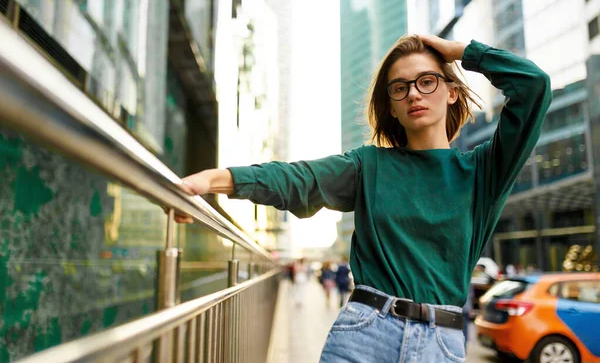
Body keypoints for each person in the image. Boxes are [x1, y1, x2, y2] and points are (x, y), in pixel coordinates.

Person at [172, 35, 551, 362]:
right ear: (392, 106)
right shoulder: (369, 165)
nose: (414, 93)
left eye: (427, 81)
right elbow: (298, 178)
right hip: (365, 333)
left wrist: (459, 51)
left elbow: (533, 85)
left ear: (452, 91)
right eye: (400, 87)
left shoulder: (483, 171)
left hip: (442, 343)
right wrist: (213, 180)